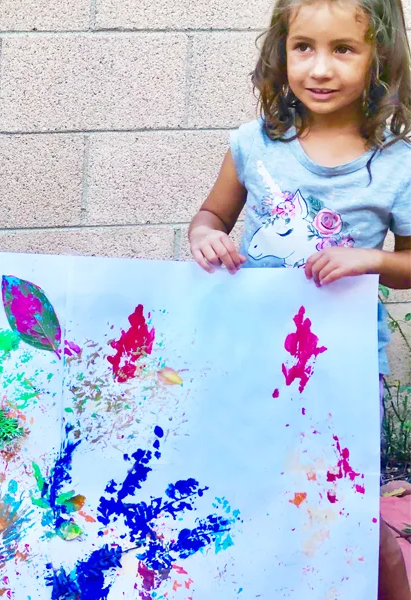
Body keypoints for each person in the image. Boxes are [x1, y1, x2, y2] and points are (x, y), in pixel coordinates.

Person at [188, 0, 410, 597]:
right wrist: (206, 237)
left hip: (342, 365)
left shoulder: (398, 164)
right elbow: (211, 216)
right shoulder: (253, 145)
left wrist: (372, 259)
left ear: (380, 58)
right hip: (250, 355)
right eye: (303, 47)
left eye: (344, 49)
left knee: (352, 512)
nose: (320, 68)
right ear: (280, 52)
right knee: (251, 494)